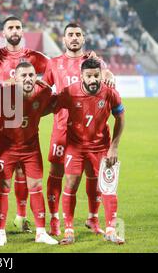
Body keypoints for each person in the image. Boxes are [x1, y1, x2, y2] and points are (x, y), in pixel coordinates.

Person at [43, 22, 115, 236]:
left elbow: (109, 84)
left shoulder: (95, 63)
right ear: (63, 39)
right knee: (56, 172)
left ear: (83, 38)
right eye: (70, 35)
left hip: (92, 131)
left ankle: (93, 218)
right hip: (62, 128)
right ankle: (55, 219)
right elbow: (45, 92)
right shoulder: (54, 64)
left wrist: (109, 73)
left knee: (94, 174)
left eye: (78, 34)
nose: (74, 38)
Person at [0, 16, 50, 234]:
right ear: (2, 33)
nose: (14, 30)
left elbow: (58, 69)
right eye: (10, 27)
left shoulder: (35, 58)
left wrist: (102, 66)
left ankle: (21, 217)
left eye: (18, 27)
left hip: (26, 123)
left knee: (25, 173)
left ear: (22, 31)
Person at [54, 58, 125, 245]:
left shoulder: (110, 93)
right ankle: (68, 230)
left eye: (96, 75)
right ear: (81, 76)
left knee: (107, 185)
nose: (93, 80)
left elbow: (120, 117)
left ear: (102, 74)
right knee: (71, 183)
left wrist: (114, 146)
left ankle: (110, 229)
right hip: (75, 147)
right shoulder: (70, 92)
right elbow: (50, 106)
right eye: (89, 76)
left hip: (101, 147)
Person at [0, 62, 58, 247]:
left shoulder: (43, 92)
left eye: (32, 75)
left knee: (36, 186)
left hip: (31, 148)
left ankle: (41, 232)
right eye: (24, 76)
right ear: (16, 78)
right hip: (7, 146)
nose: (29, 78)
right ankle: (0, 233)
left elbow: (51, 106)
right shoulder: (5, 92)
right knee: (3, 188)